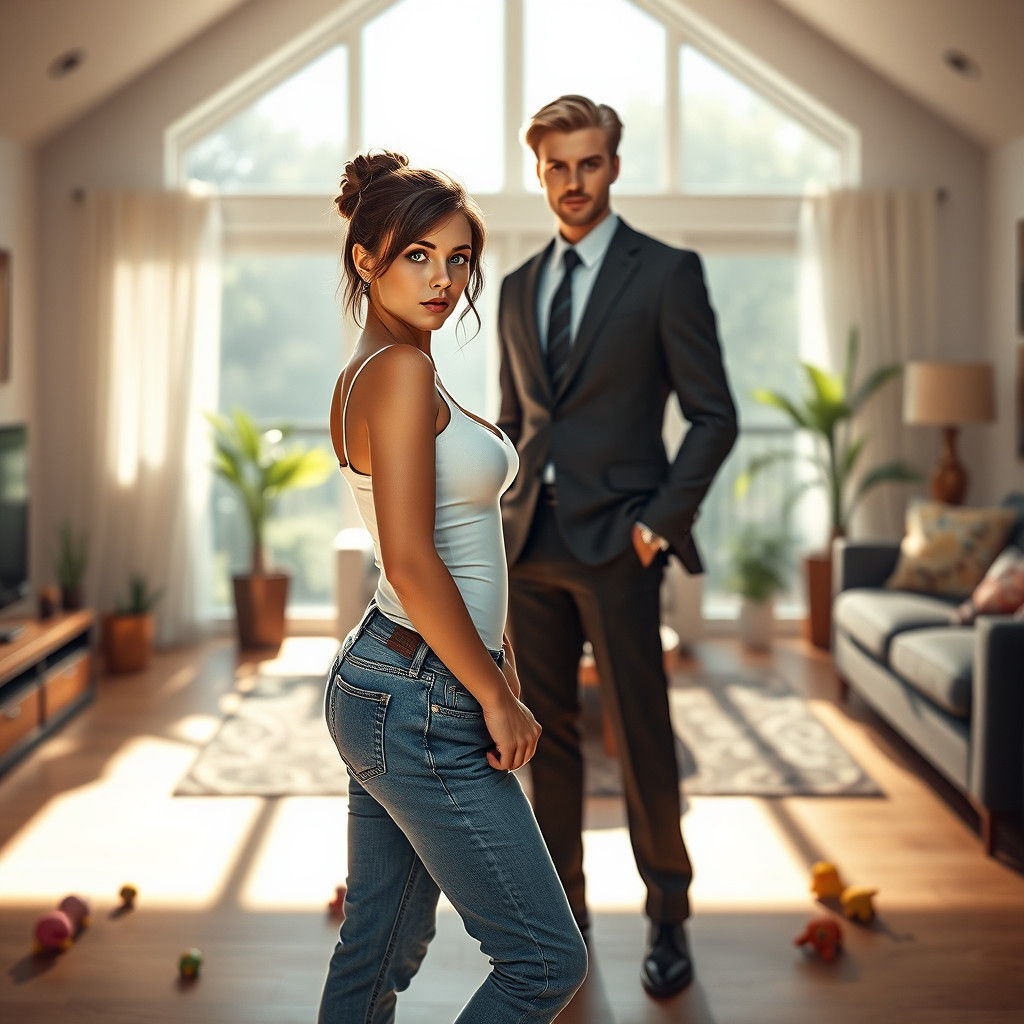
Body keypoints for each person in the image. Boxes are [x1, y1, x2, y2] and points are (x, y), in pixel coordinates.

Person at [318, 150, 588, 1024]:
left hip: (395, 676)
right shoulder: (396, 373)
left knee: (381, 948)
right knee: (545, 961)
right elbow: (411, 559)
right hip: (421, 693)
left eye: (458, 257)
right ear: (367, 259)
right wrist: (494, 697)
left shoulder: (385, 366)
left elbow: (449, 547)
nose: (442, 279)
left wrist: (496, 661)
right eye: (417, 256)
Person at [497, 95, 739, 999]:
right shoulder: (517, 286)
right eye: (556, 166)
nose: (572, 182)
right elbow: (519, 420)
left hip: (621, 547)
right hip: (532, 547)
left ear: (614, 166)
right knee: (543, 741)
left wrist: (656, 525)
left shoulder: (667, 274)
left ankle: (668, 914)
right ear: (540, 171)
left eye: (588, 163)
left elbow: (715, 417)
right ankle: (567, 918)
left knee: (641, 737)